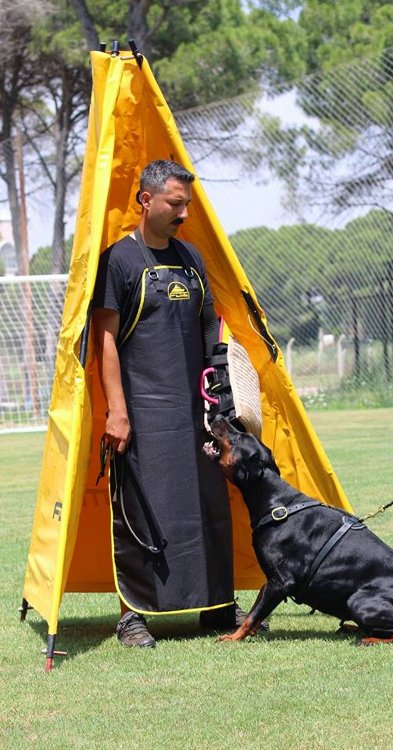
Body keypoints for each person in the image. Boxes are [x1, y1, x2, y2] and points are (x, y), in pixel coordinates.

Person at [93, 159, 244, 646]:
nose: (183, 213)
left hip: (195, 409)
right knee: (143, 508)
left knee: (207, 506)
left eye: (187, 204)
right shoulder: (119, 260)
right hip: (143, 410)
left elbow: (207, 328)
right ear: (146, 201)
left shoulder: (191, 257)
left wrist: (219, 400)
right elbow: (106, 341)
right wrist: (117, 410)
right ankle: (132, 615)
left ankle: (216, 603)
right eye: (175, 204)